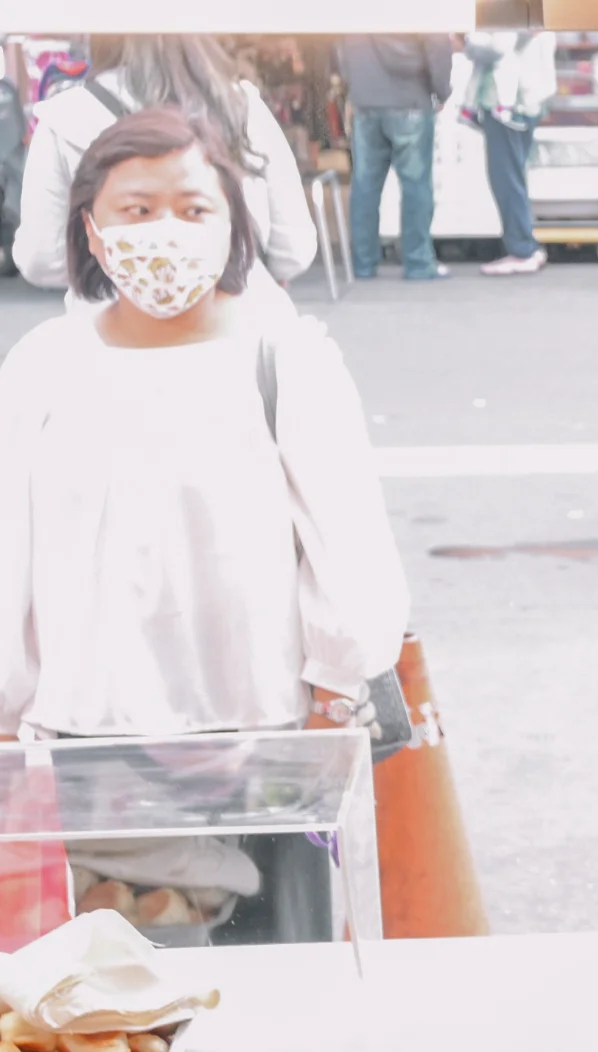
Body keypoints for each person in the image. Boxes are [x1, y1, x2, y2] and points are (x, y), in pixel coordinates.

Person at [0, 108, 408, 751]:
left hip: (266, 733)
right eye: (137, 210)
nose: (165, 232)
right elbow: (8, 555)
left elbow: (349, 547)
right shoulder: (43, 367)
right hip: (85, 737)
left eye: (193, 210)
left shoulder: (288, 361)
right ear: (92, 231)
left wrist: (330, 705)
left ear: (232, 225)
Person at [12, 36, 317, 315]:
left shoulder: (66, 118)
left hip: (112, 334)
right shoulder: (242, 106)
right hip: (242, 321)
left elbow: (42, 260)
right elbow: (294, 249)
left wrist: (126, 266)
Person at [335, 35, 453, 282]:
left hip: (364, 100)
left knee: (364, 185)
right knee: (416, 184)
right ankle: (418, 262)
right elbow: (438, 42)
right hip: (409, 98)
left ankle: (363, 264)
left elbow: (340, 45)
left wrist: (354, 82)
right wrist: (441, 91)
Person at [461, 31, 556, 277]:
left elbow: (498, 46)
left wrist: (465, 39)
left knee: (505, 178)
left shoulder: (511, 10)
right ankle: (525, 245)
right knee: (512, 176)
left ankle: (522, 249)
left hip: (508, 102)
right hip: (521, 100)